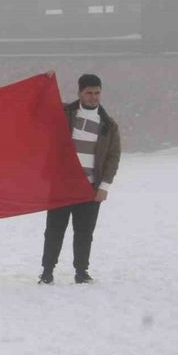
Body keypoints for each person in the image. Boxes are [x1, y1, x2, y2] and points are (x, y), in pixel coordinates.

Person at [39, 73, 121, 285]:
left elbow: (113, 157)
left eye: (97, 93)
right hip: (61, 185)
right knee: (54, 231)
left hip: (90, 188)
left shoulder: (108, 125)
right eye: (89, 93)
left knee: (84, 233)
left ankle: (81, 272)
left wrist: (104, 186)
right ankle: (47, 272)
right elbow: (37, 110)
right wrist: (44, 83)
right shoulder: (64, 113)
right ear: (80, 93)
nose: (93, 97)